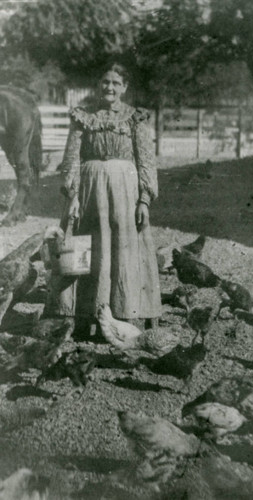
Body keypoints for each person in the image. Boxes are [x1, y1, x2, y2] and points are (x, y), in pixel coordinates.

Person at [47, 62, 162, 330]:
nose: (109, 87)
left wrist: (144, 199)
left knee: (123, 249)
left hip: (125, 193)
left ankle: (124, 314)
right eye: (105, 82)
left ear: (124, 88)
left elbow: (146, 162)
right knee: (86, 250)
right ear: (99, 85)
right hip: (88, 194)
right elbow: (71, 158)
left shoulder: (135, 118)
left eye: (115, 83)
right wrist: (73, 194)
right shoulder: (83, 116)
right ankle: (82, 315)